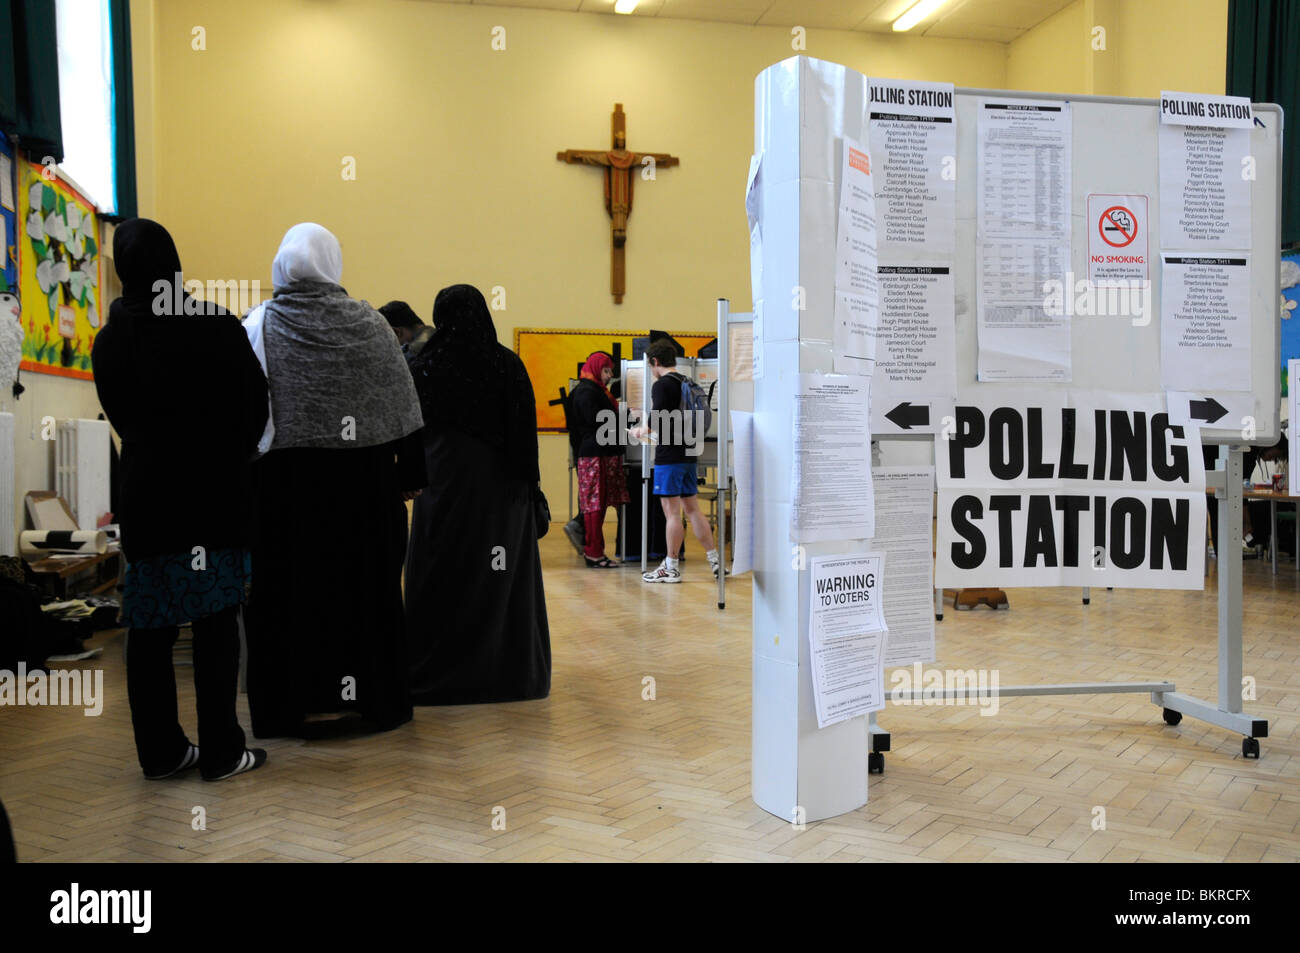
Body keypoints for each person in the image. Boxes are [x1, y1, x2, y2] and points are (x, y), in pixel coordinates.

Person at [92, 218, 268, 781]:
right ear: (174, 265)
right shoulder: (215, 325)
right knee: (216, 622)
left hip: (148, 496)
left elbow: (122, 418)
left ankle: (162, 753)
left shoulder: (110, 339)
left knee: (149, 629)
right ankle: (222, 752)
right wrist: (230, 453)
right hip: (214, 495)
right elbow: (254, 409)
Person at [243, 223, 426, 738]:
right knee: (365, 594)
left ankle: (288, 706)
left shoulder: (258, 325)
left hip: (286, 490)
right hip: (363, 488)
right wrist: (410, 474)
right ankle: (376, 700)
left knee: (288, 598)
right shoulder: (370, 325)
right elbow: (404, 405)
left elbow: (245, 413)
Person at [405, 284, 551, 704]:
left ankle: (438, 673)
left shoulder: (424, 364)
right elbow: (525, 436)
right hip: (501, 495)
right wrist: (530, 490)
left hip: (444, 489)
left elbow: (412, 433)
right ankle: (504, 674)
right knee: (497, 579)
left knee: (443, 575)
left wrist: (410, 479)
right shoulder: (506, 364)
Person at [633, 339, 720, 583]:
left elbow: (657, 420)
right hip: (689, 455)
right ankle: (714, 560)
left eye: (651, 366)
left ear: (655, 362)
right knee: (692, 509)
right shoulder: (687, 382)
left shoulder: (662, 385)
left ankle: (670, 565)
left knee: (671, 513)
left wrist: (640, 430)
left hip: (669, 456)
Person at [567, 351, 629, 567]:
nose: (609, 375)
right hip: (595, 454)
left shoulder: (593, 391)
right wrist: (623, 417)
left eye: (610, 370)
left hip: (597, 452)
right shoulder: (587, 393)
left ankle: (596, 552)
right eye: (606, 370)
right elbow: (598, 423)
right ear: (595, 368)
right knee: (594, 505)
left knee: (597, 504)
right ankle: (594, 553)